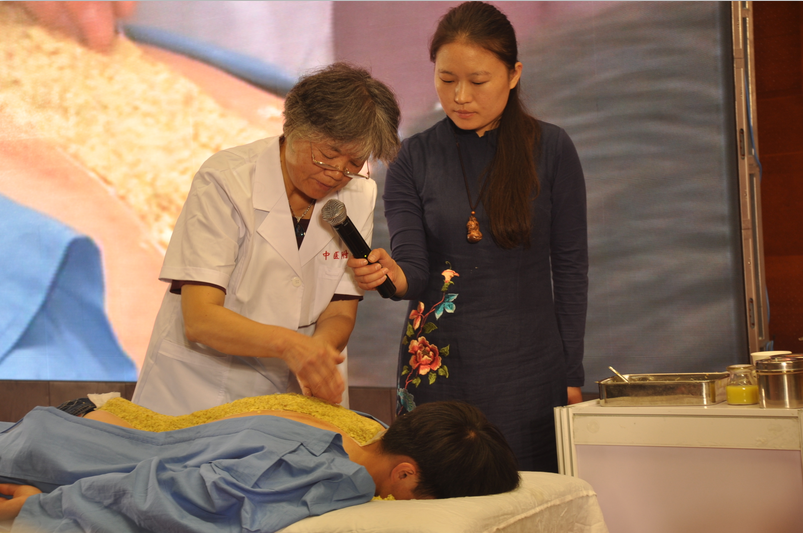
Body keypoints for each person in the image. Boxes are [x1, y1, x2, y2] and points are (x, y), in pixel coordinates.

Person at [347, 1, 588, 472]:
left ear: (514, 74)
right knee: (439, 493)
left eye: (477, 81)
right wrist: (389, 276)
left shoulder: (551, 149)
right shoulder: (413, 157)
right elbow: (414, 272)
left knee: (527, 490)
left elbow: (571, 269)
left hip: (528, 370)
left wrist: (571, 373)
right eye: (446, 79)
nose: (459, 96)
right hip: (437, 368)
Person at [132, 62, 401, 415]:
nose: (337, 173)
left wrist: (318, 353)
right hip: (200, 388)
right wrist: (292, 346)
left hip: (294, 392)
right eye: (327, 155)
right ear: (292, 126)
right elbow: (200, 318)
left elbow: (339, 308)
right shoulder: (225, 180)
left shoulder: (359, 193)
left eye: (354, 163)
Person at [0, 396, 520, 532]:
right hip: (55, 465)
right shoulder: (335, 478)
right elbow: (175, 497)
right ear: (406, 472)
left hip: (61, 436)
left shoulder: (352, 429)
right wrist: (42, 508)